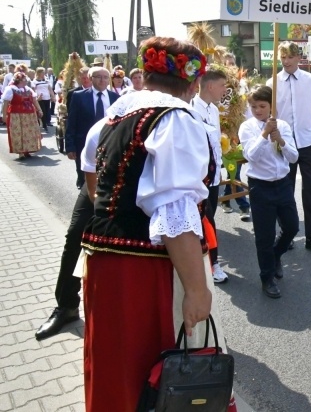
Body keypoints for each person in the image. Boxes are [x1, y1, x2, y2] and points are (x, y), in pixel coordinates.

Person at [81, 36, 215, 411]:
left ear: (148, 76)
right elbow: (176, 213)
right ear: (193, 84)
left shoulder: (112, 118)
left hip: (104, 263)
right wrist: (196, 288)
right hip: (145, 270)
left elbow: (93, 184)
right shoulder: (176, 120)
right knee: (155, 374)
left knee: (113, 367)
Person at [34, 116, 107, 341]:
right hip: (100, 177)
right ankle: (67, 306)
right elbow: (90, 169)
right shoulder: (108, 122)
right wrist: (100, 205)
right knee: (76, 234)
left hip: (139, 184)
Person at [266, 41, 311, 255]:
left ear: (298, 58)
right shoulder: (273, 82)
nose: (286, 61)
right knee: (284, 190)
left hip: (306, 142)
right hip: (283, 144)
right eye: (283, 57)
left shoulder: (310, 80)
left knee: (310, 189)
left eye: (290, 57)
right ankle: (286, 233)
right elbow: (268, 115)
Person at [238, 85, 299, 299]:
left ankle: (275, 256)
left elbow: (293, 158)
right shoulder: (247, 128)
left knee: (291, 227)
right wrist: (264, 135)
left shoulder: (282, 125)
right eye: (254, 106)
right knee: (264, 235)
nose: (258, 110)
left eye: (262, 106)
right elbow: (251, 156)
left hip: (282, 184)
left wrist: (280, 139)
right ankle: (267, 277)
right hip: (260, 186)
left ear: (271, 106)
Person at [192, 68, 230, 284]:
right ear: (210, 86)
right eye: (223, 85)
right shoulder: (191, 109)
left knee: (209, 217)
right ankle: (213, 264)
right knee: (207, 221)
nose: (225, 90)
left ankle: (206, 260)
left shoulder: (214, 110)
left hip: (214, 176)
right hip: (200, 177)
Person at [65, 67, 119, 189]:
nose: (102, 80)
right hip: (83, 143)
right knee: (84, 177)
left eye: (105, 77)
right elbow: (72, 121)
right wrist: (70, 146)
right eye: (98, 77)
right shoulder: (79, 96)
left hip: (108, 143)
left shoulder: (115, 98)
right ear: (91, 78)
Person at [221, 53, 252, 221]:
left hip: (237, 132)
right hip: (222, 132)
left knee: (234, 169)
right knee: (231, 169)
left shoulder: (243, 84)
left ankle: (239, 204)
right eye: (228, 64)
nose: (232, 67)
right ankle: (240, 204)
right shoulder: (220, 85)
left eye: (233, 64)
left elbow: (247, 108)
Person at [2, 71, 43, 158]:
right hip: (16, 114)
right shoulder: (10, 89)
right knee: (18, 133)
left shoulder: (28, 89)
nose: (26, 81)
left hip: (29, 115)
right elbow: (5, 103)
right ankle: (20, 152)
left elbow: (34, 100)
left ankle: (27, 150)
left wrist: (39, 110)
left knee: (29, 132)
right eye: (24, 79)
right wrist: (4, 115)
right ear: (19, 80)